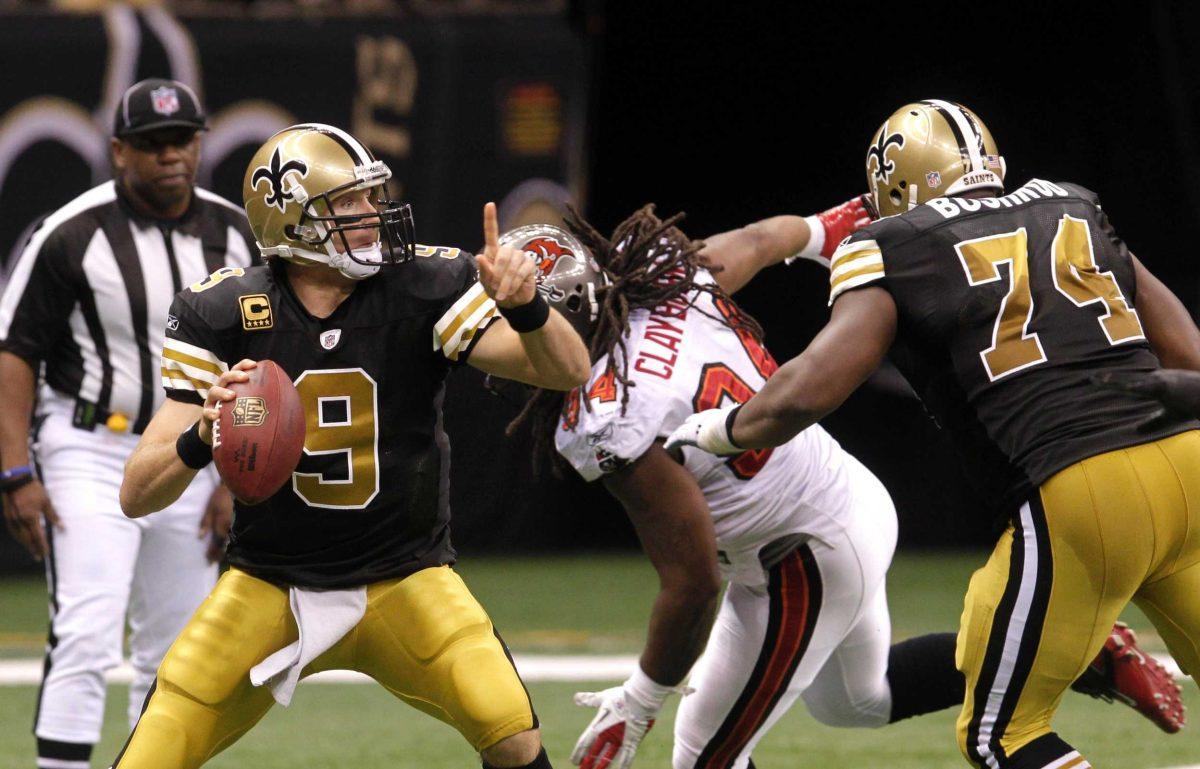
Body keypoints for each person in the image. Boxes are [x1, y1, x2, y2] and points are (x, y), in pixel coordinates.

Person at [502, 204, 1176, 769]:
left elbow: (694, 580)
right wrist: (833, 225)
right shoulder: (664, 271)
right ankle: (1085, 654)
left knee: (703, 750)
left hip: (801, 555)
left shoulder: (609, 417)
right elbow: (768, 241)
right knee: (856, 701)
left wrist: (642, 696)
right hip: (837, 500)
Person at [667, 100, 1200, 769]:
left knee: (1002, 736)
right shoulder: (1073, 203)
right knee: (983, 634)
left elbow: (808, 390)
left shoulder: (894, 244)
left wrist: (718, 431)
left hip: (1081, 484)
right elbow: (1187, 353)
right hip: (1187, 463)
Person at [110, 123, 590, 769]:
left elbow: (566, 370)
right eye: (348, 204)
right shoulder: (224, 310)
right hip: (269, 584)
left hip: (406, 577)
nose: (371, 215)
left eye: (370, 199)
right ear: (290, 222)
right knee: (153, 752)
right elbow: (137, 493)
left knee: (511, 730)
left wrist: (529, 306)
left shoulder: (422, 283)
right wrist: (202, 436)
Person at [0, 78, 253, 769]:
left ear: (201, 142)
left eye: (183, 139)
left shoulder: (234, 232)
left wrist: (237, 475)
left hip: (190, 454)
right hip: (91, 444)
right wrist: (15, 470)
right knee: (85, 630)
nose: (171, 155)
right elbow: (14, 352)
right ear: (119, 151)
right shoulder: (70, 232)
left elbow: (258, 360)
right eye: (152, 143)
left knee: (178, 649)